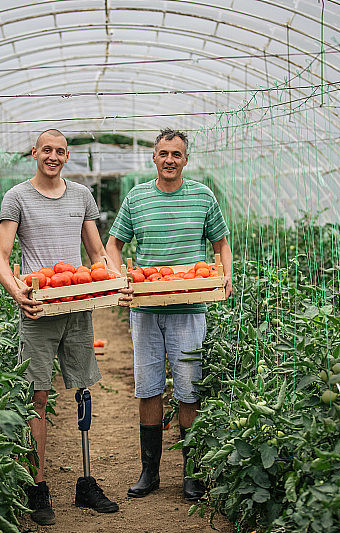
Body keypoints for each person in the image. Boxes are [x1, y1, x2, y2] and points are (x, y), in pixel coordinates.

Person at [0, 129, 125, 525]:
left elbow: (97, 252)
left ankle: (85, 482)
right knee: (37, 396)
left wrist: (113, 281)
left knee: (83, 389)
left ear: (67, 157)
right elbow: (1, 257)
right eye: (46, 150)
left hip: (77, 307)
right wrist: (17, 292)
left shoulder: (82, 196)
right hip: (39, 308)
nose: (53, 156)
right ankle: (37, 487)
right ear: (34, 153)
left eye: (60, 151)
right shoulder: (17, 197)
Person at [106, 128, 233, 502]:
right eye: (164, 153)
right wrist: (118, 279)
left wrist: (226, 276)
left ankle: (192, 474)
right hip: (145, 309)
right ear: (154, 157)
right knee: (148, 388)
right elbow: (113, 244)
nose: (170, 160)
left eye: (177, 154)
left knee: (189, 389)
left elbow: (221, 244)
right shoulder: (137, 197)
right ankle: (150, 472)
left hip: (189, 309)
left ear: (186, 159)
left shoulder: (203, 196)